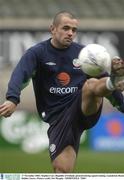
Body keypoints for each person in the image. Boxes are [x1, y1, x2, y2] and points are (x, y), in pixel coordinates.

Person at [0, 11, 124, 173]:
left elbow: (101, 82)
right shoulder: (37, 53)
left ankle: (112, 81)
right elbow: (20, 75)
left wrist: (121, 102)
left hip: (82, 108)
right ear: (53, 29)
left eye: (74, 30)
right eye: (66, 28)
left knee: (91, 85)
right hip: (58, 119)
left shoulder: (84, 54)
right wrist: (12, 99)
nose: (70, 33)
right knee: (62, 171)